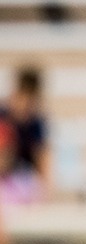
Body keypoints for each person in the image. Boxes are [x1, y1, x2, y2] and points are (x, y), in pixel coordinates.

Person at [0, 66, 50, 201]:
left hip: (22, 181)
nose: (27, 106)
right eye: (24, 99)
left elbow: (42, 158)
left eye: (31, 102)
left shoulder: (36, 123)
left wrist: (45, 190)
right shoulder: (3, 117)